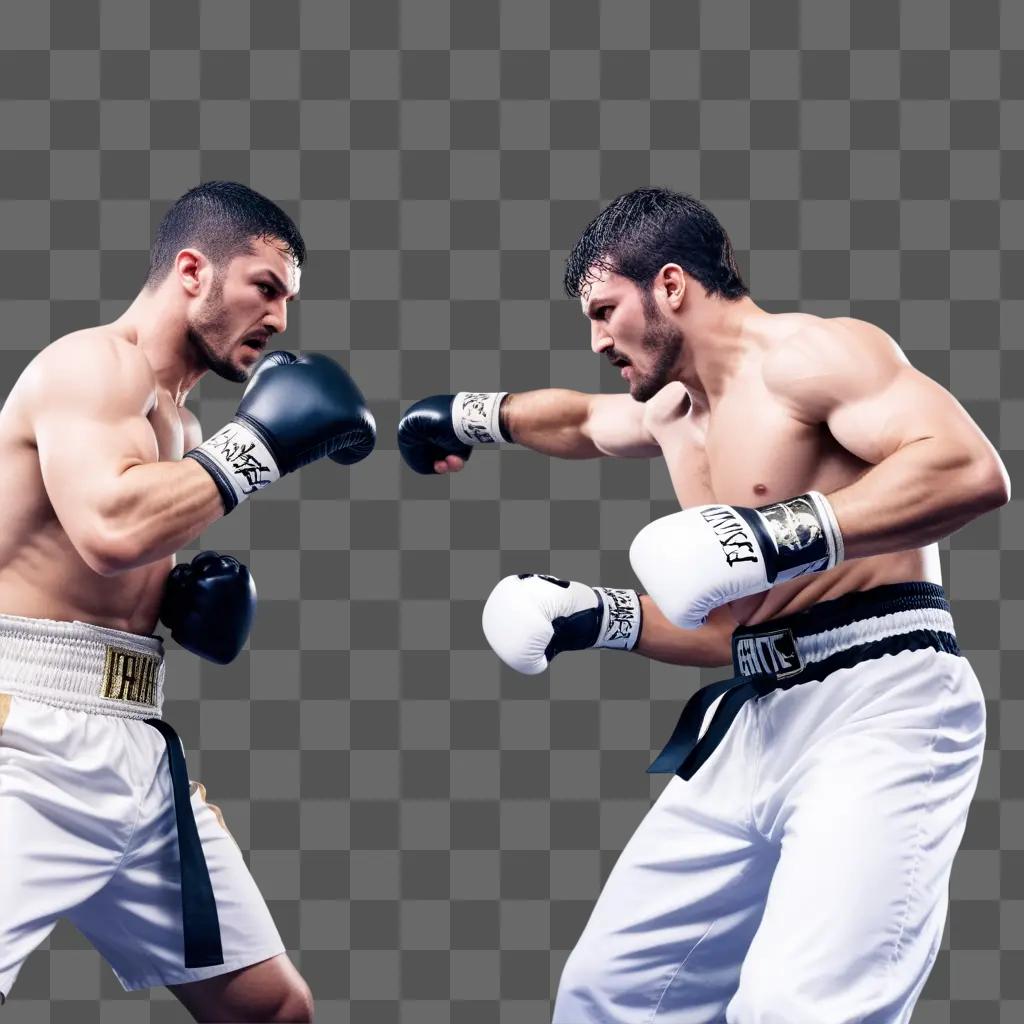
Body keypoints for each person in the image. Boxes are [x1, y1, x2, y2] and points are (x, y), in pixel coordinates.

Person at [397, 188, 1010, 1023]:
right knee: (610, 998)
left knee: (798, 1009)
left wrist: (778, 534)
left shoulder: (809, 355)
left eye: (606, 310)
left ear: (673, 286)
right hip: (756, 717)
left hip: (881, 706)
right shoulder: (674, 410)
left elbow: (968, 471)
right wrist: (473, 423)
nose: (596, 337)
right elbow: (582, 425)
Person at [0, 181, 375, 1022]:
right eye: (266, 289)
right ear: (194, 270)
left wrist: (174, 597)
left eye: (288, 300)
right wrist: (262, 447)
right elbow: (106, 527)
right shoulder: (90, 365)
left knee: (273, 1009)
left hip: (136, 748)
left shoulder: (184, 425)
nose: (280, 320)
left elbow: (95, 562)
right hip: (25, 740)